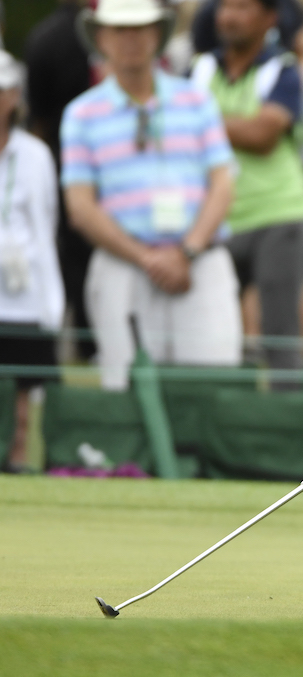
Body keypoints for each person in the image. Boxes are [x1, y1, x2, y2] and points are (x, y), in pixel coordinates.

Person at [61, 0, 242, 391]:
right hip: (123, 266)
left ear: (157, 35)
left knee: (212, 389)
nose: (131, 39)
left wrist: (187, 252)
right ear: (101, 38)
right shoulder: (81, 114)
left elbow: (223, 184)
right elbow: (80, 207)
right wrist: (148, 259)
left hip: (200, 263)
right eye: (120, 29)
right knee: (128, 393)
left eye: (141, 28)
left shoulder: (196, 99)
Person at [191, 0, 303, 372]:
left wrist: (197, 116)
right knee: (216, 333)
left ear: (270, 19)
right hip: (218, 219)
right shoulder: (199, 68)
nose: (229, 16)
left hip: (280, 215)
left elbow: (261, 135)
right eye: (225, 7)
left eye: (243, 7)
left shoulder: (284, 70)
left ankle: (289, 421)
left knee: (279, 333)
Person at [0, 51, 64, 473]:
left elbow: (45, 228)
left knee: (22, 406)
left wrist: (50, 303)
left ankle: (19, 464)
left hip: (24, 297)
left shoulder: (35, 154)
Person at [24, 0, 96, 363]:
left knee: (70, 258)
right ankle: (87, 344)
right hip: (70, 165)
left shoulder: (44, 37)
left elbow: (36, 119)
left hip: (57, 163)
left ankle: (84, 344)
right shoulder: (51, 37)